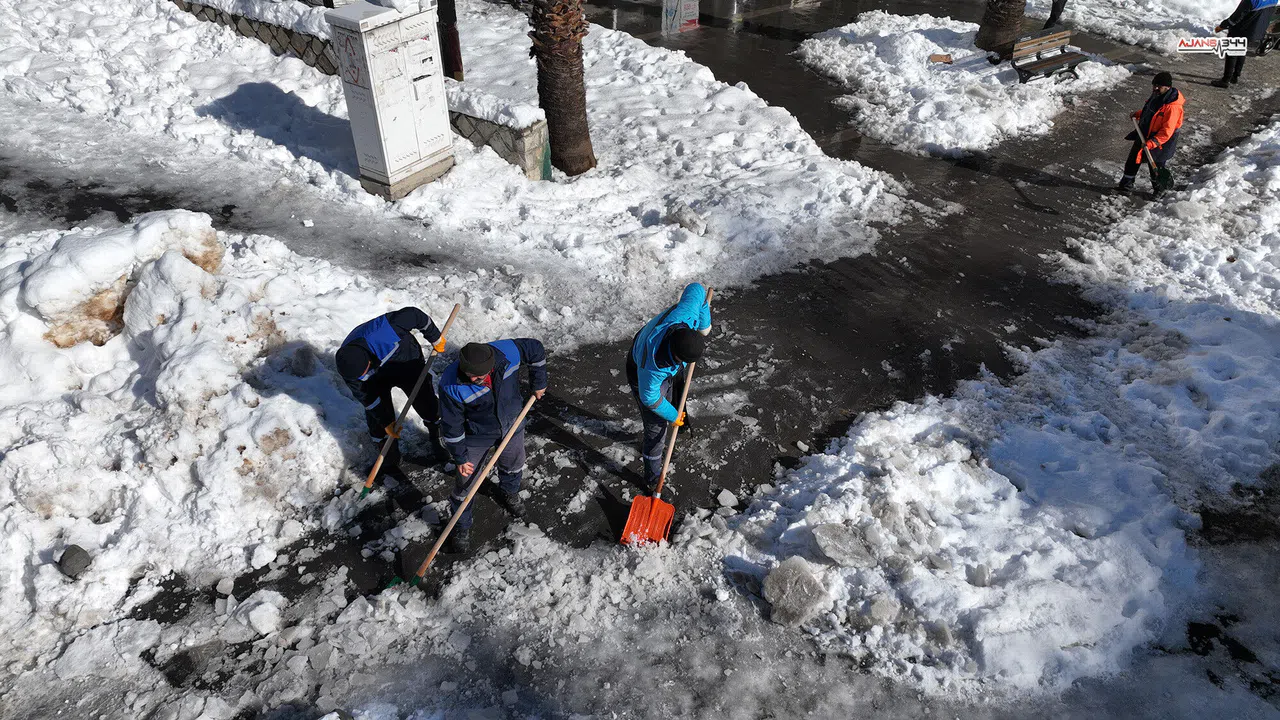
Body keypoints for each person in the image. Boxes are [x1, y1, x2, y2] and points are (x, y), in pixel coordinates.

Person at [438, 338, 548, 553]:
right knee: (466, 482)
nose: (476, 379)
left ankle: (510, 492)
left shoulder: (508, 353)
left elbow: (535, 348)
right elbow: (452, 426)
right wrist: (460, 457)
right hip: (476, 434)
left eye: (480, 375)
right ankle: (461, 525)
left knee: (514, 463)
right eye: (471, 376)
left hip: (512, 422)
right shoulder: (451, 384)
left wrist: (539, 382)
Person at [335, 307, 449, 478]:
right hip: (377, 378)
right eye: (360, 376)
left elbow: (414, 314)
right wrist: (385, 421)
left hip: (405, 360)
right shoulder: (348, 368)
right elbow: (367, 397)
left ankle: (436, 434)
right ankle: (389, 453)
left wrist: (434, 337)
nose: (362, 377)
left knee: (424, 399)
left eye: (364, 372)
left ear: (367, 359)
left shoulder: (383, 332)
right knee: (376, 417)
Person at [626, 283, 712, 493]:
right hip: (639, 365)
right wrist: (672, 415)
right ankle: (653, 477)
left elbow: (697, 290)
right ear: (675, 357)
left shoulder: (685, 316)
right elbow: (651, 399)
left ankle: (681, 424)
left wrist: (704, 324)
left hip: (674, 349)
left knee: (678, 393)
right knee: (657, 428)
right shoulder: (652, 368)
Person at [1117, 72, 1184, 196]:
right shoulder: (1157, 95)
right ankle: (1126, 185)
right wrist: (1139, 114)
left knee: (1155, 166)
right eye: (1154, 85)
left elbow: (1167, 131)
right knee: (1133, 160)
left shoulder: (1172, 107)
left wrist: (1153, 143)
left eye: (1159, 86)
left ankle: (1159, 190)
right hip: (1144, 132)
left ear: (1167, 87)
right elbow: (1150, 111)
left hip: (1161, 141)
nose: (1155, 88)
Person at [1213, 0, 1278, 88]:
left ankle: (1225, 80)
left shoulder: (1250, 1)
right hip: (1256, 31)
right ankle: (1235, 77)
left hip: (1241, 30)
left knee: (1232, 54)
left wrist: (1221, 26)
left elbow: (1234, 19)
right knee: (1241, 52)